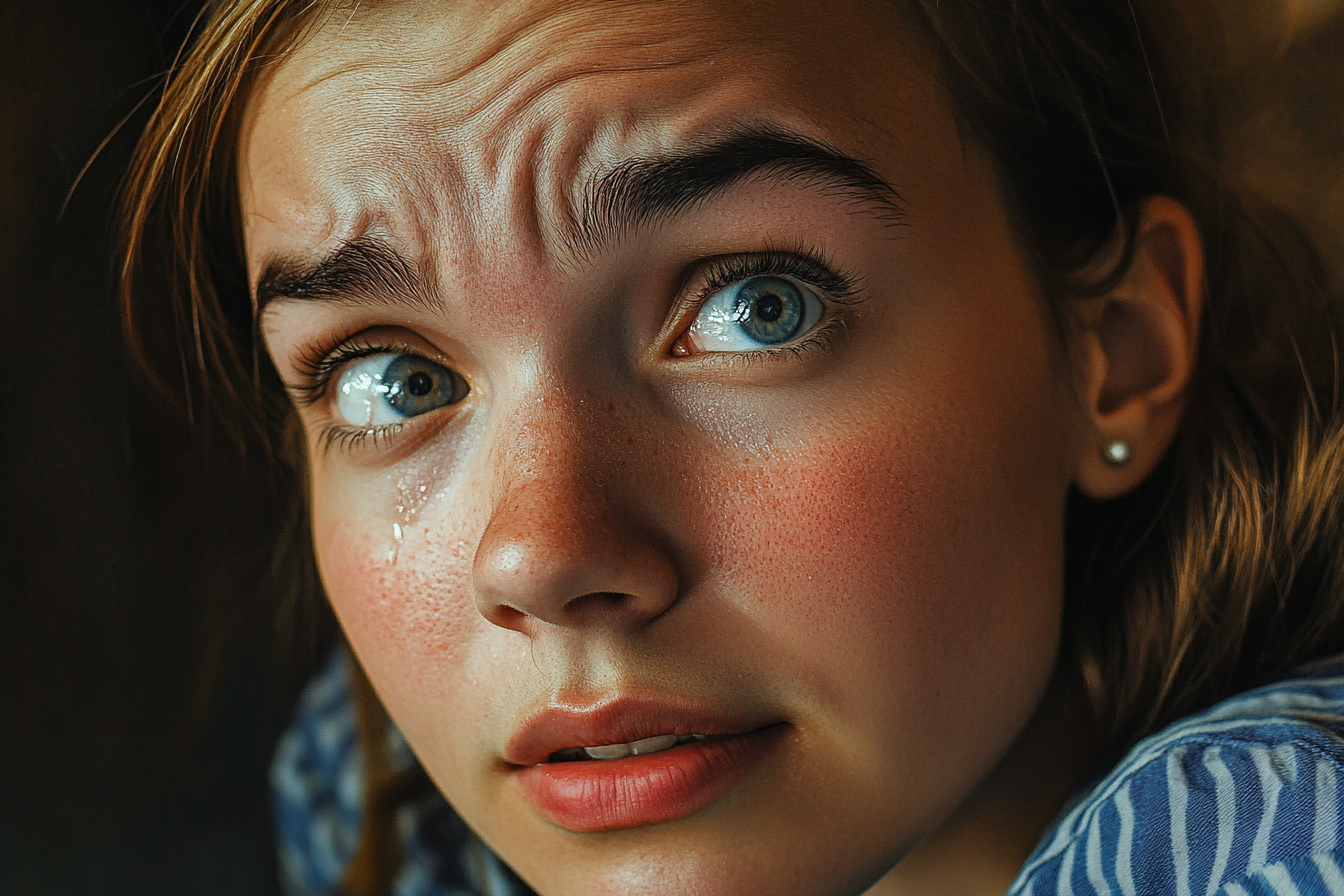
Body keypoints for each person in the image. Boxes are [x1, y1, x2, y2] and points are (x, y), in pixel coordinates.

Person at [118, 0, 1344, 893]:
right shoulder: (386, 816)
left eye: (758, 304)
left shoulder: (1277, 840)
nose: (542, 556)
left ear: (1114, 354)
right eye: (396, 379)